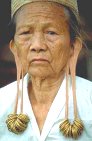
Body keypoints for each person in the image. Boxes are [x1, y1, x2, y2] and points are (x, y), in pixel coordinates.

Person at [0, 0, 92, 140]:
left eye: (51, 32)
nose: (37, 45)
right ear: (14, 48)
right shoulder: (2, 101)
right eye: (25, 33)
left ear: (73, 47)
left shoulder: (89, 100)